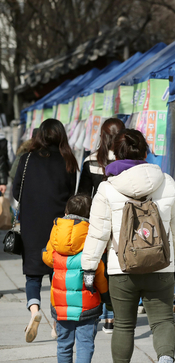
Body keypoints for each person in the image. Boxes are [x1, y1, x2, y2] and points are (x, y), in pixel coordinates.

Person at [81, 129, 175, 363]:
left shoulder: (107, 188)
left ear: (116, 153)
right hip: (161, 267)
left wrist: (89, 268)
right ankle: (165, 359)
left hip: (122, 269)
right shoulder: (167, 182)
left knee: (123, 325)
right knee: (162, 321)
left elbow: (98, 233)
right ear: (145, 152)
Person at [13, 119, 78, 343]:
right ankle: (57, 324)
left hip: (31, 224)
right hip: (58, 226)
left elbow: (16, 191)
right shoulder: (68, 160)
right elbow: (72, 195)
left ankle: (34, 310)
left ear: (39, 135)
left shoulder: (27, 158)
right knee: (56, 275)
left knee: (32, 274)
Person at [42, 194, 109, 363]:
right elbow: (99, 269)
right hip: (87, 304)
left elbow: (48, 259)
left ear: (67, 210)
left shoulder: (56, 230)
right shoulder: (91, 234)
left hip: (60, 303)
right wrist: (106, 295)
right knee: (85, 344)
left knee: (63, 344)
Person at [77, 118, 125, 334]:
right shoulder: (130, 160)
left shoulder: (91, 161)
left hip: (100, 221)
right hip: (126, 222)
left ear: (102, 137)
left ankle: (104, 313)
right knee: (121, 270)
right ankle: (117, 314)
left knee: (101, 269)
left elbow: (84, 198)